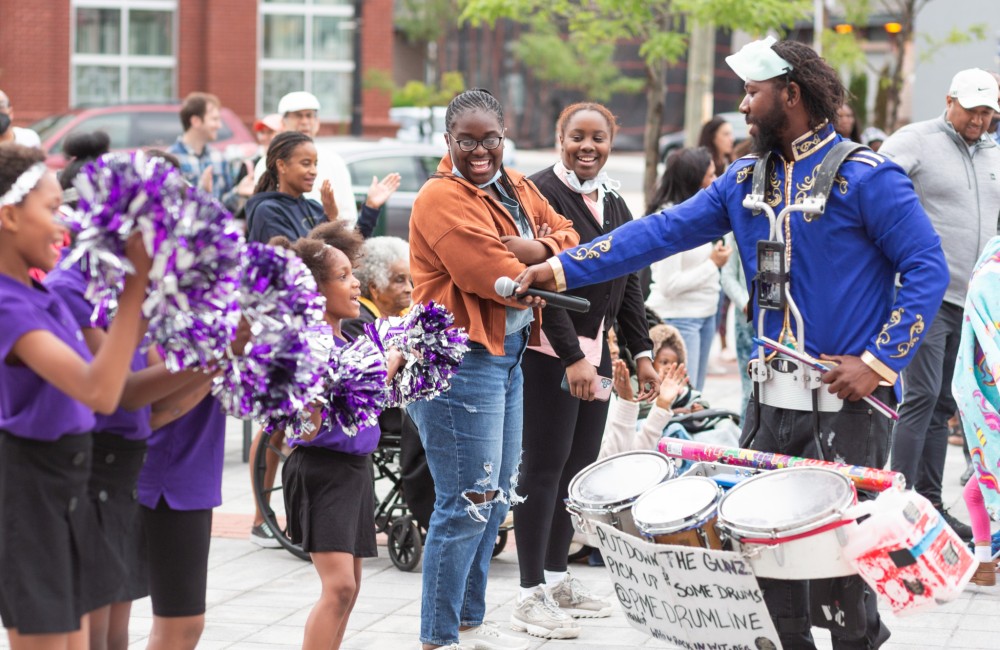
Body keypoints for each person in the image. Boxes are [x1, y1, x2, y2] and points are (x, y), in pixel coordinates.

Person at [514, 37, 949, 649]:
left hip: (850, 409)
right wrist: (560, 270)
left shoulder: (864, 177)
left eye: (752, 92)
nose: (743, 106)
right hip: (768, 407)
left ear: (790, 95)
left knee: (844, 574)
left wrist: (880, 362)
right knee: (764, 572)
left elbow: (927, 266)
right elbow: (657, 234)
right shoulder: (744, 180)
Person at [407, 88, 579, 650]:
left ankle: (468, 623)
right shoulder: (440, 198)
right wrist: (536, 261)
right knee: (468, 502)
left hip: (507, 359)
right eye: (467, 141)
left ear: (503, 138)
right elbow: (493, 274)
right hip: (461, 362)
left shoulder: (516, 186)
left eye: (490, 140)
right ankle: (439, 637)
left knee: (497, 497)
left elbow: (570, 234)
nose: (479, 151)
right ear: (448, 141)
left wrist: (535, 248)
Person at [512, 102, 657, 639]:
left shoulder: (615, 200)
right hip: (549, 351)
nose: (587, 146)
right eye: (577, 137)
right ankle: (530, 593)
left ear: (611, 141)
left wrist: (638, 350)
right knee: (542, 468)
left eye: (598, 137)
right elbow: (544, 284)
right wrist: (572, 356)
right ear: (560, 138)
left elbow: (630, 280)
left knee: (576, 470)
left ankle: (557, 577)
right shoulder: (539, 192)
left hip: (594, 353)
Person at [0, 143, 150, 647]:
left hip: (72, 482)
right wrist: (137, 284)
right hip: (29, 486)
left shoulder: (39, 294)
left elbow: (109, 379)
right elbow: (99, 391)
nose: (64, 224)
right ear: (9, 216)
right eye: (50, 209)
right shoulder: (6, 303)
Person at [880, 67, 1000, 541]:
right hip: (925, 294)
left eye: (988, 111)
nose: (980, 118)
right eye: (972, 108)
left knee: (946, 403)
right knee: (922, 395)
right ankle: (899, 501)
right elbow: (872, 183)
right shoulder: (918, 140)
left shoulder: (994, 152)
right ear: (950, 101)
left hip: (976, 304)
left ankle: (928, 501)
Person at [273, 222, 404, 649]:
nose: (355, 285)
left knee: (352, 589)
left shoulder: (346, 337)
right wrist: (394, 357)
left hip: (355, 471)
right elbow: (358, 387)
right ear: (315, 289)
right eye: (344, 277)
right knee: (340, 588)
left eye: (354, 274)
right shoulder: (309, 343)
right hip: (322, 472)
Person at [645, 146, 731, 391]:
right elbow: (668, 285)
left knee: (695, 395)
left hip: (704, 314)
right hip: (679, 319)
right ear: (693, 178)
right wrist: (712, 264)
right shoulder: (670, 219)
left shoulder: (697, 213)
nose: (715, 181)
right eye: (711, 175)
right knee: (678, 397)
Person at [254, 91, 400, 232]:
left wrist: (369, 209)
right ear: (281, 166)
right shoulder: (267, 165)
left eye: (310, 116)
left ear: (317, 122)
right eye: (298, 116)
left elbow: (348, 220)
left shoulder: (333, 161)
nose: (305, 122)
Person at [954, 235, 1000, 585]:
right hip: (989, 396)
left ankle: (984, 562)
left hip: (989, 395)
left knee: (979, 488)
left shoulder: (988, 272)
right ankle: (983, 561)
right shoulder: (990, 269)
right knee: (977, 489)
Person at [166, 92, 250, 213]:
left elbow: (225, 210)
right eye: (214, 119)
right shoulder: (172, 159)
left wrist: (239, 193)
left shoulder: (219, 158)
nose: (219, 125)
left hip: (215, 231)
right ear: (196, 121)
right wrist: (202, 191)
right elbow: (171, 208)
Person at [342, 236, 412, 338]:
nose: (409, 289)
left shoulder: (410, 316)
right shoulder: (358, 324)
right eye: (400, 280)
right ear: (374, 288)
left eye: (410, 280)